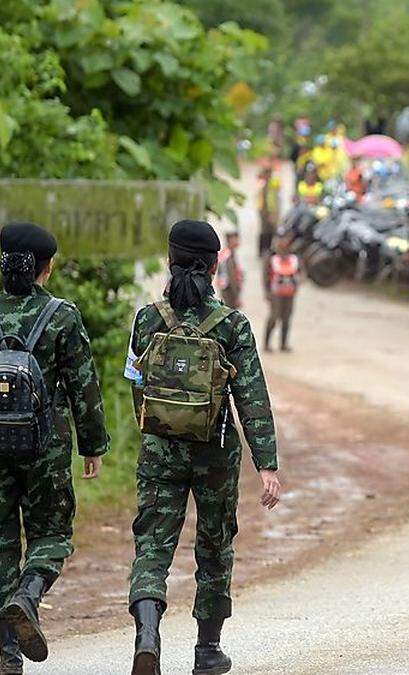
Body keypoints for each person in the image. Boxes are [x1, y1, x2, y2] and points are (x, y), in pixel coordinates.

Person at [0, 222, 109, 672]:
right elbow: (83, 388)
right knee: (52, 535)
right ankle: (29, 596)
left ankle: (8, 657)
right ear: (46, 269)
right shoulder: (63, 317)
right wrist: (93, 446)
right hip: (45, 449)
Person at [124, 220, 281, 675]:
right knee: (214, 545)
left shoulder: (148, 318)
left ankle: (148, 635)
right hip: (215, 453)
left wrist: (156, 428)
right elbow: (252, 397)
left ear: (170, 262)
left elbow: (138, 385)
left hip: (159, 450)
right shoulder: (232, 324)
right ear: (214, 267)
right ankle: (207, 651)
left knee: (152, 544)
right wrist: (266, 464)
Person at [263, 235, 300, 352]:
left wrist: (297, 282)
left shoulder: (294, 256)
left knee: (287, 318)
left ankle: (283, 344)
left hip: (290, 293)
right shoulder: (271, 256)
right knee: (274, 317)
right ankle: (267, 343)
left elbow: (301, 272)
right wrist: (267, 292)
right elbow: (265, 275)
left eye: (286, 239)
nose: (283, 242)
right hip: (276, 293)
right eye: (281, 239)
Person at [255, 162, 281, 256]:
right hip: (264, 211)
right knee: (265, 231)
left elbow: (274, 199)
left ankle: (267, 250)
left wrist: (274, 213)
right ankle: (263, 251)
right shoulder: (262, 183)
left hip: (271, 211)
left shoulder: (272, 183)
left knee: (271, 231)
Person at [215, 231, 244, 309]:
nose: (237, 241)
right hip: (229, 289)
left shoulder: (227, 253)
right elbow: (231, 276)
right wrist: (236, 296)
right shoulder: (228, 256)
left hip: (226, 288)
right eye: (235, 239)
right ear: (230, 240)